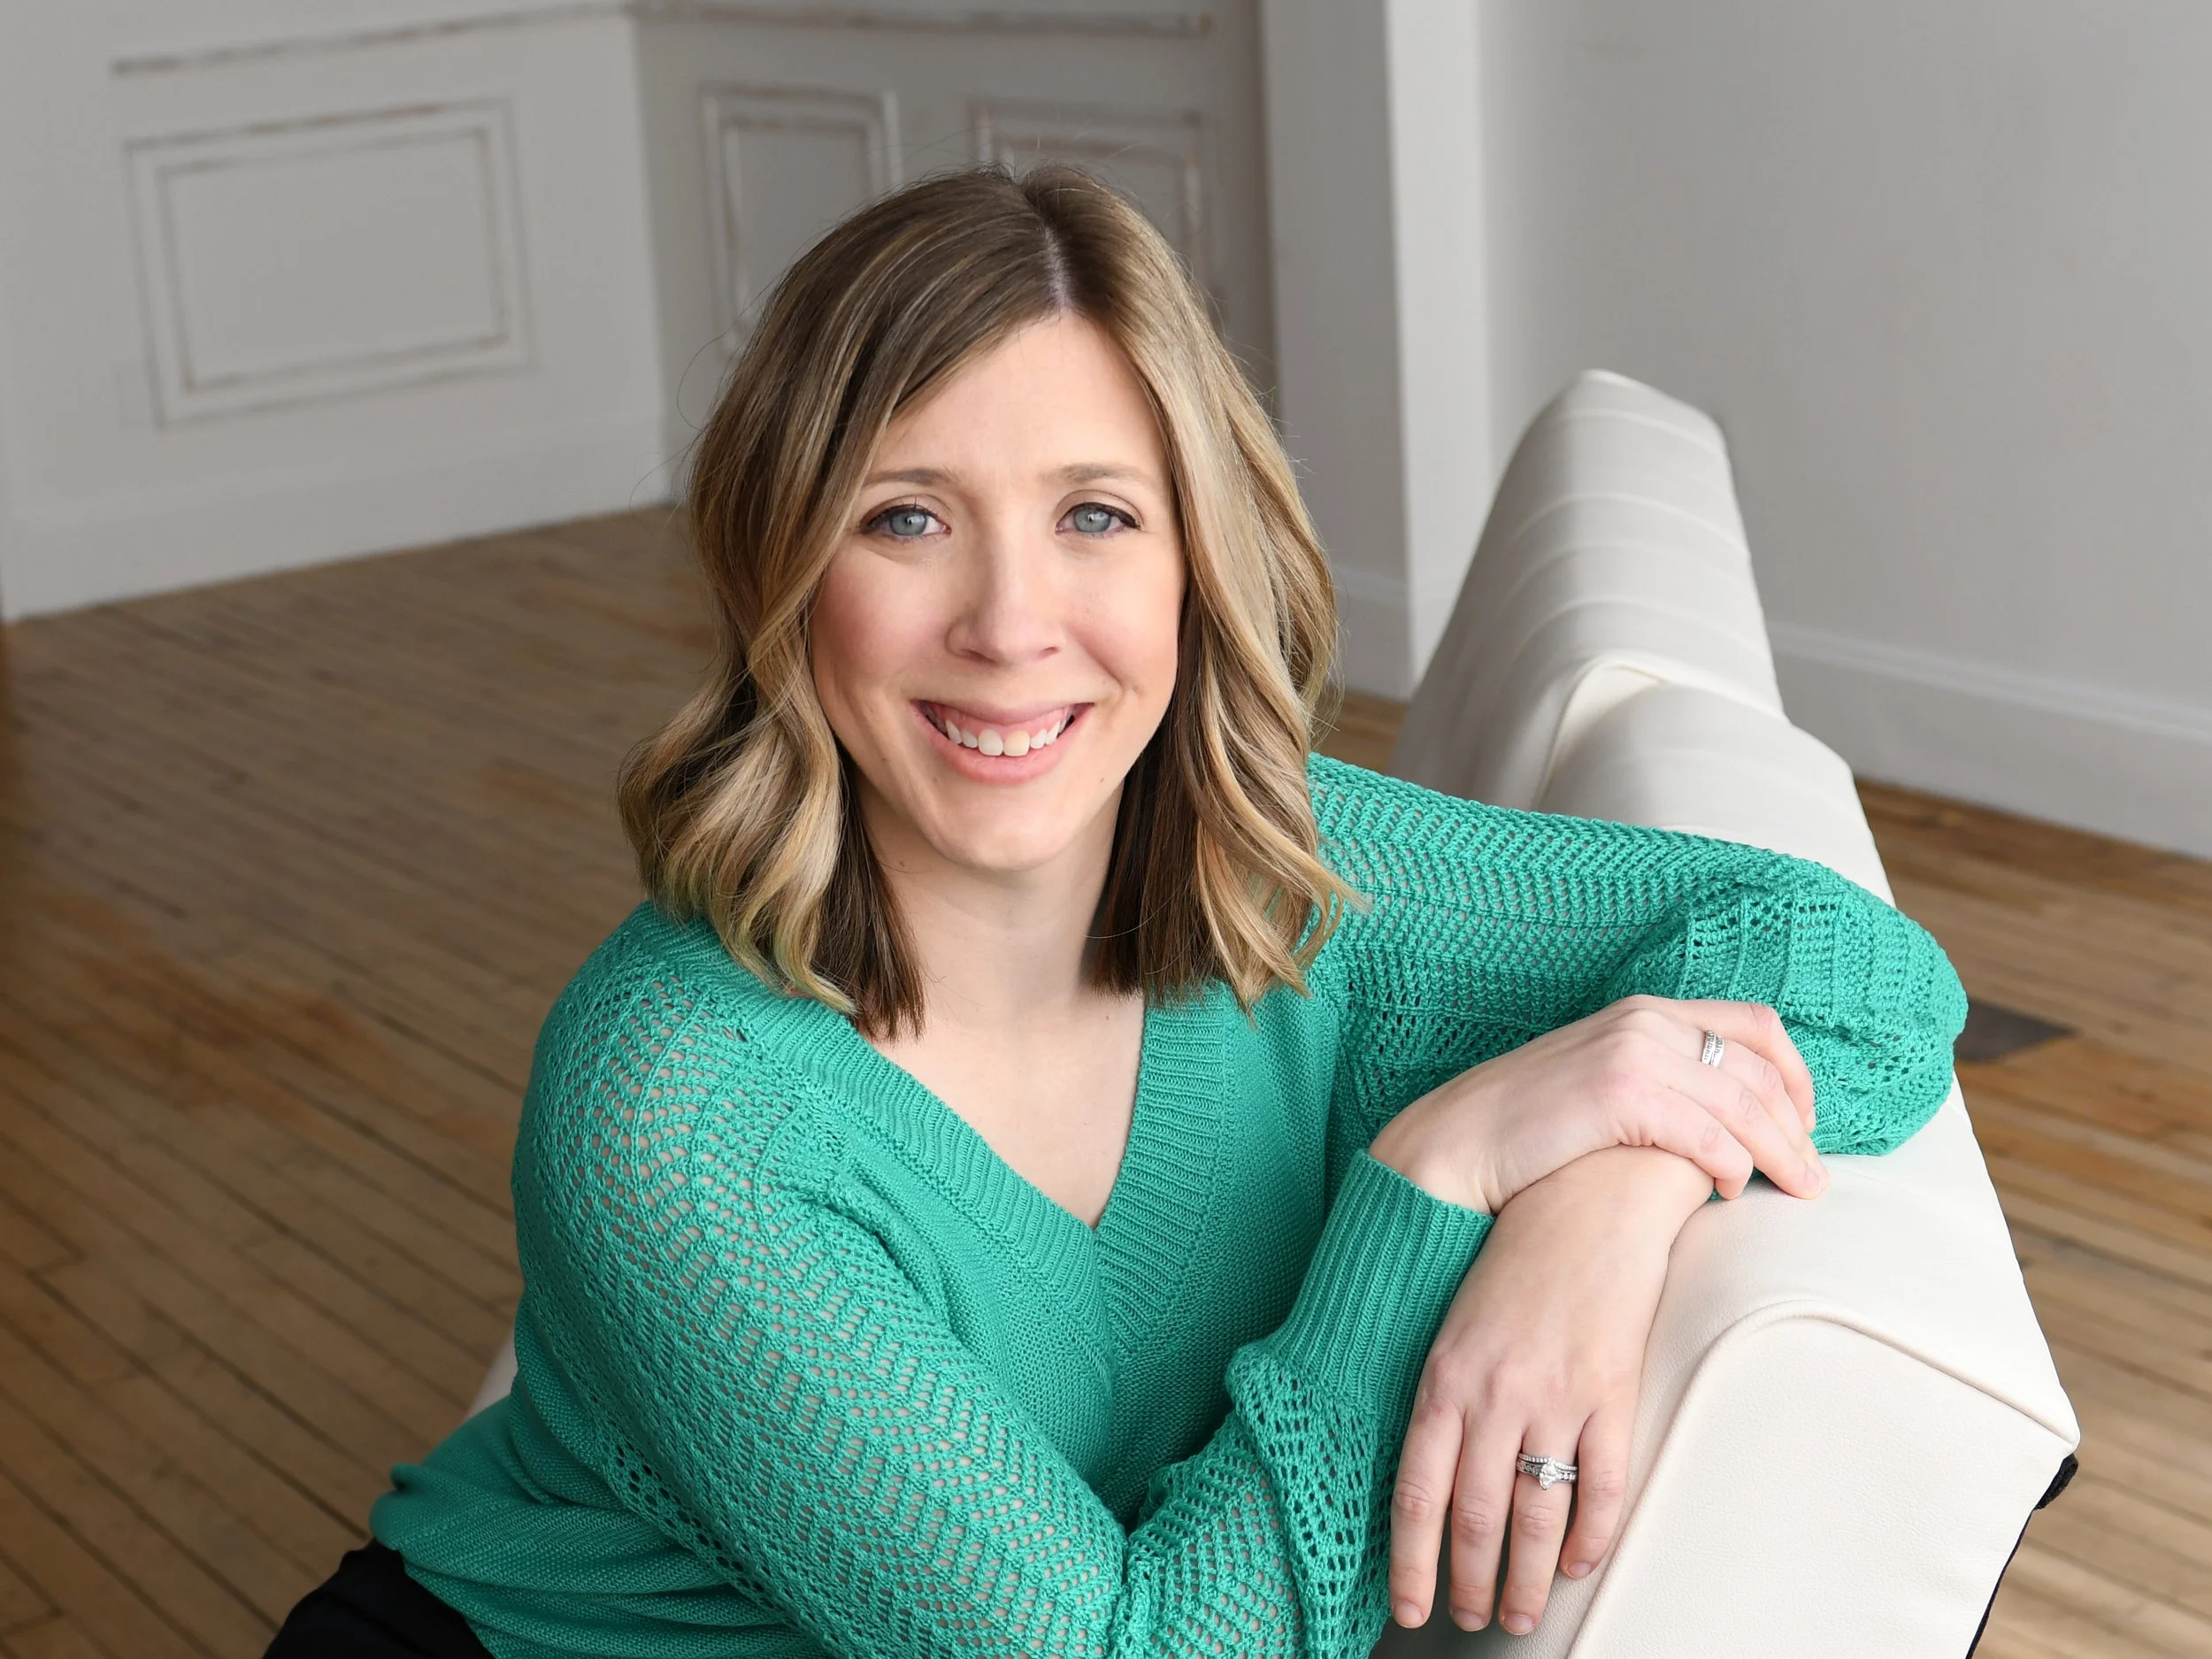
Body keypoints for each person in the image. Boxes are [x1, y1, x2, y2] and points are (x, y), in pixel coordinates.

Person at [268, 165, 1964, 1658]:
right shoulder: (678, 1113)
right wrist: (1442, 1174)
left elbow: (1859, 966)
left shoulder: (1298, 877)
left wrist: (1602, 1189)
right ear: (784, 569)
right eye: (907, 517)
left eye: (1094, 514)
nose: (1012, 623)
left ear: (1192, 558)